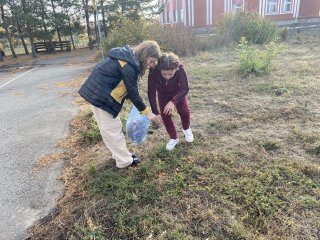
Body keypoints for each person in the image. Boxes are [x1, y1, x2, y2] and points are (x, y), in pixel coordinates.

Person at [78, 40, 162, 168]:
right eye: (151, 61)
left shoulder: (129, 59)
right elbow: (133, 93)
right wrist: (148, 114)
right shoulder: (129, 65)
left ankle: (120, 155)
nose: (151, 65)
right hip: (101, 96)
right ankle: (124, 161)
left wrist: (138, 105)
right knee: (111, 130)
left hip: (102, 93)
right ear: (146, 54)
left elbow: (126, 86)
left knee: (113, 127)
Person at [148, 52, 194, 151]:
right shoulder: (153, 72)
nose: (167, 76)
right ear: (159, 69)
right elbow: (151, 92)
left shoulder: (180, 68)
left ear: (176, 69)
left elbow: (185, 88)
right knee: (165, 115)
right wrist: (155, 112)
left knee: (184, 111)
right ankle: (173, 138)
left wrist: (173, 102)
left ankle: (186, 128)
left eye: (171, 74)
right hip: (163, 95)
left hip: (178, 93)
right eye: (164, 74)